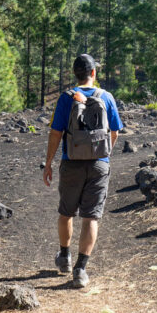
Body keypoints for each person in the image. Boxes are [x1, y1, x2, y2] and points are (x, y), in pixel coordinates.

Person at [43, 54, 123, 288]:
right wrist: (103, 155)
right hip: (99, 163)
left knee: (66, 212)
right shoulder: (106, 97)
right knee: (91, 217)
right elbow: (115, 132)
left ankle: (65, 256)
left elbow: (56, 133)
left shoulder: (66, 98)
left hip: (71, 163)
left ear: (75, 74)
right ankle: (80, 269)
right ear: (93, 73)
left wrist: (49, 163)